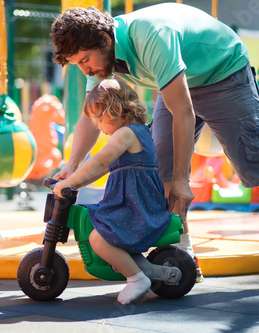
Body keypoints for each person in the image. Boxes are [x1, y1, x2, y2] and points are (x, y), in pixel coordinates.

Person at [51, 3, 259, 286]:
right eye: (79, 64)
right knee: (158, 170)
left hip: (223, 72)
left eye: (85, 60)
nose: (85, 68)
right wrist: (71, 166)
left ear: (104, 39)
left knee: (254, 164)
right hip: (178, 81)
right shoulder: (95, 53)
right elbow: (91, 116)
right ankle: (183, 255)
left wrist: (183, 180)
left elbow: (183, 111)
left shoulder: (150, 35)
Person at [53, 79, 172, 304]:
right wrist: (75, 184)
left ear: (115, 110)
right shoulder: (138, 131)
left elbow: (99, 161)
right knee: (93, 219)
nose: (97, 126)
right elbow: (106, 169)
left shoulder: (126, 134)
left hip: (137, 208)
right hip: (134, 204)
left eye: (99, 119)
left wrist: (68, 181)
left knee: (98, 239)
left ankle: (137, 278)